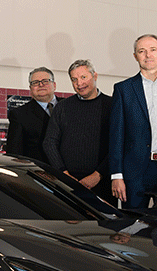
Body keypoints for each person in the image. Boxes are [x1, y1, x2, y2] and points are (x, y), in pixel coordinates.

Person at [109, 34, 157, 208]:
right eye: (142, 51)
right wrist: (116, 175)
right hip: (136, 170)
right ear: (135, 56)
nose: (148, 55)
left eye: (152, 50)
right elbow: (116, 136)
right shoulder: (123, 89)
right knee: (136, 226)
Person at [43, 59, 114, 204]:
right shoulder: (62, 107)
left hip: (103, 183)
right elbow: (49, 142)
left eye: (83, 77)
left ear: (95, 76)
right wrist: (64, 174)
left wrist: (98, 175)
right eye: (74, 79)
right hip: (67, 184)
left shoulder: (112, 105)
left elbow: (118, 145)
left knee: (104, 226)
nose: (79, 84)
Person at [5, 67, 58, 163]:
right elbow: (14, 154)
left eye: (45, 81)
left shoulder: (70, 107)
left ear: (54, 85)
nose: (41, 85)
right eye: (35, 82)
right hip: (39, 173)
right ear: (30, 89)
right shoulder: (19, 114)